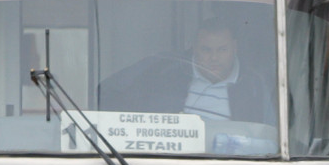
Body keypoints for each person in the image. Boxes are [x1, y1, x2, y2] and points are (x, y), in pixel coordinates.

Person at [98, 17, 275, 126]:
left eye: (222, 50)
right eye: (206, 50)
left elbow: (270, 136)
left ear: (234, 48)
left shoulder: (255, 85)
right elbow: (107, 92)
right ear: (194, 47)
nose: (214, 58)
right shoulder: (163, 70)